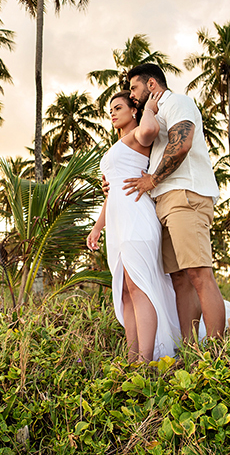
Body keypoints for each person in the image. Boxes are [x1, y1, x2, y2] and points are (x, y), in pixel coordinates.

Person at [122, 63, 230, 341]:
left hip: (185, 194)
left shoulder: (178, 103)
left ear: (151, 85)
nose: (131, 95)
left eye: (134, 88)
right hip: (164, 201)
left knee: (198, 274)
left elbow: (182, 144)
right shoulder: (154, 118)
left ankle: (217, 353)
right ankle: (189, 347)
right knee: (180, 280)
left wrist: (153, 179)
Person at [87, 91, 181, 362]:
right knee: (126, 289)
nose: (113, 113)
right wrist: (97, 227)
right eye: (110, 111)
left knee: (139, 285)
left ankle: (146, 359)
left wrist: (149, 107)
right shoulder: (119, 144)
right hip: (117, 221)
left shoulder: (140, 133)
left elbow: (151, 129)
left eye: (118, 107)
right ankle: (132, 357)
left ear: (134, 110)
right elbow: (112, 192)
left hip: (136, 217)